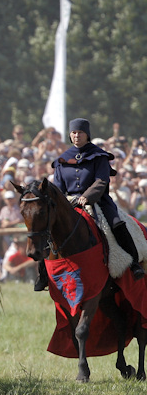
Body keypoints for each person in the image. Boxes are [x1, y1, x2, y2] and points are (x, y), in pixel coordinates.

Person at [42, 117, 145, 290]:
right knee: (47, 229)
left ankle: (134, 263)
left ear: (87, 135)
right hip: (69, 203)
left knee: (116, 223)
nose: (77, 136)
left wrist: (87, 196)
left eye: (80, 132)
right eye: (74, 132)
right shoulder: (62, 160)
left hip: (98, 202)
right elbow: (58, 188)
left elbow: (101, 181)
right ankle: (43, 273)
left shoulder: (99, 156)